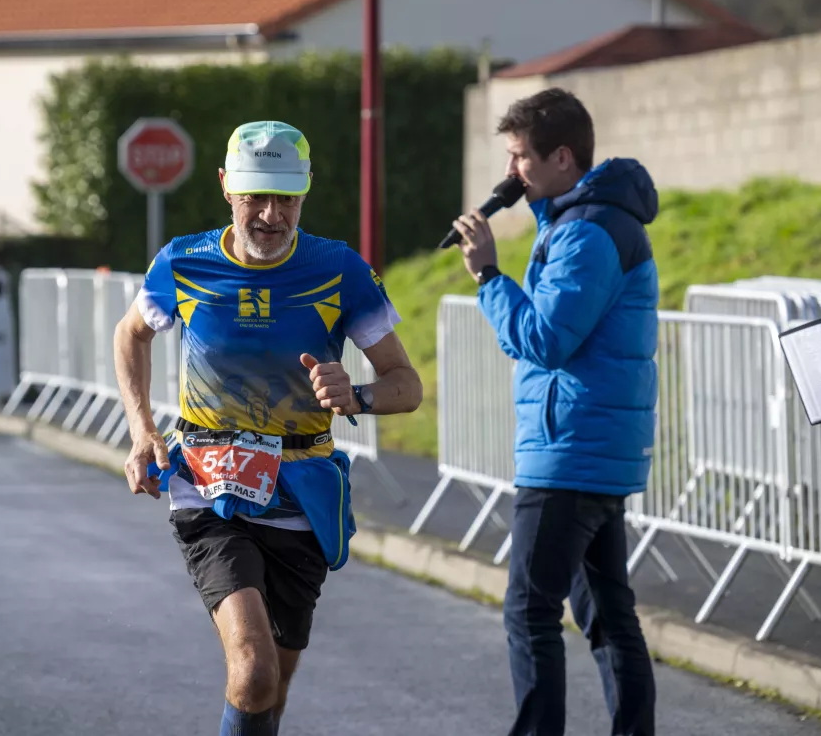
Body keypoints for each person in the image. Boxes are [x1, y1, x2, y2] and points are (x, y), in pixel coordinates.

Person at [113, 120, 422, 736]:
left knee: (271, 689)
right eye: (256, 196)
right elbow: (131, 334)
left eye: (286, 198)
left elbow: (406, 385)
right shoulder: (184, 261)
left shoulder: (338, 270)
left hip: (302, 496)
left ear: (305, 192)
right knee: (252, 672)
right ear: (226, 187)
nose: (271, 215)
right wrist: (142, 429)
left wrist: (356, 395)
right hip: (209, 489)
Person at [452, 88, 659, 736]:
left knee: (530, 612)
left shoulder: (587, 234)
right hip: (586, 446)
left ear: (562, 157)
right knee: (607, 616)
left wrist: (489, 277)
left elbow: (544, 340)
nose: (511, 172)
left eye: (520, 156)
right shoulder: (581, 223)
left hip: (569, 450)